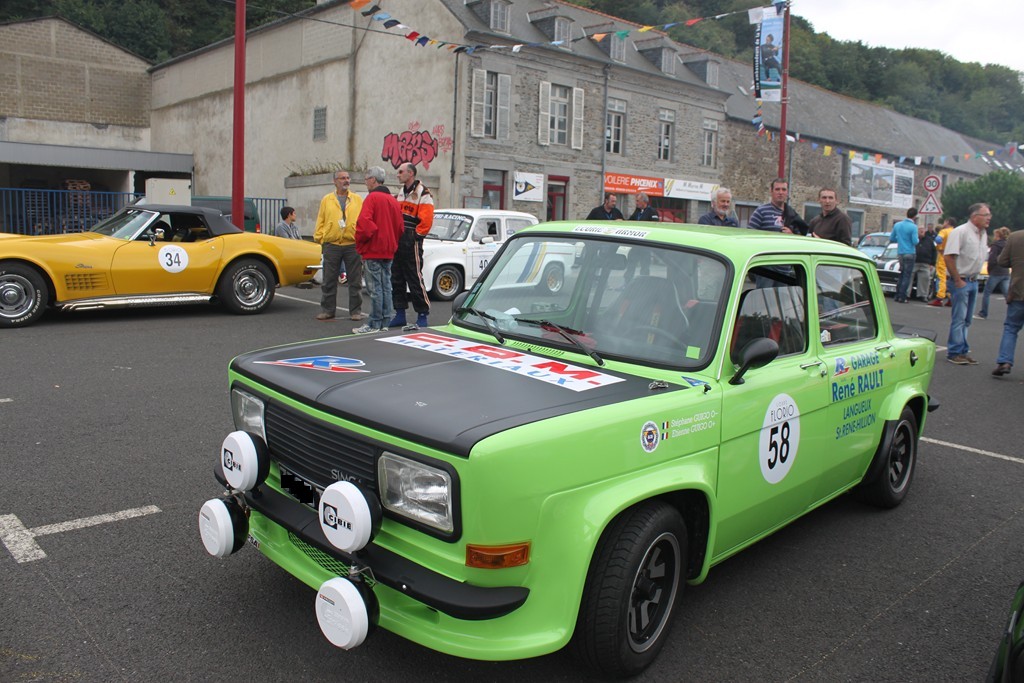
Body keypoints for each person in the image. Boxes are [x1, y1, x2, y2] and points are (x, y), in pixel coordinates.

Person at [353, 166, 404, 334]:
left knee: (375, 288)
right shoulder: (393, 200)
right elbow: (400, 228)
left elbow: (364, 224)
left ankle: (375, 323)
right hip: (388, 250)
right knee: (386, 286)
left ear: (373, 180)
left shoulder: (372, 198)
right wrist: (392, 244)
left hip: (373, 249)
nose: (365, 182)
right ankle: (384, 322)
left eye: (367, 179)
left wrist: (360, 246)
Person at [943, 203, 991, 365]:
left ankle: (962, 350)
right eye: (985, 215)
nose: (989, 218)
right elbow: (949, 256)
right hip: (961, 280)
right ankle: (955, 352)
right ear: (974, 216)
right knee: (959, 318)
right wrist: (957, 280)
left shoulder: (983, 234)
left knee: (967, 319)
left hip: (973, 280)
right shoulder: (961, 232)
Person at [313, 170, 364, 321]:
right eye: (342, 178)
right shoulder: (327, 200)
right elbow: (320, 219)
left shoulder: (357, 199)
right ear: (335, 181)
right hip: (332, 244)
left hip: (352, 243)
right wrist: (321, 238)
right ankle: (328, 310)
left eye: (348, 178)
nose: (346, 181)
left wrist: (360, 238)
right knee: (329, 279)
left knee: (355, 280)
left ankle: (355, 311)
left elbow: (362, 220)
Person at [388, 163, 433, 328]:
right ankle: (400, 313)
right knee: (396, 277)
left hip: (411, 241)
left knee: (414, 277)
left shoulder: (424, 193)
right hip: (398, 239)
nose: (398, 174)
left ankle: (422, 314)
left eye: (400, 172)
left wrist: (416, 237)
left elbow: (427, 220)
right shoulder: (400, 193)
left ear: (411, 173)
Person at [992, 228, 1024, 377]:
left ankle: (1004, 362)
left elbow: (1002, 261)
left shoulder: (1015, 237)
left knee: (1011, 327)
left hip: (1019, 289)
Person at [977, 226, 1011, 319]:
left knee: (987, 293)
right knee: (1007, 294)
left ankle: (983, 313)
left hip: (996, 272)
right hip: (1005, 272)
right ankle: (1014, 313)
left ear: (998, 236)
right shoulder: (1008, 245)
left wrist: (990, 270)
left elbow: (992, 259)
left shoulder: (995, 246)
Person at [889, 207, 919, 303]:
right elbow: (915, 241)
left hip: (900, 252)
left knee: (901, 274)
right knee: (907, 275)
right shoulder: (913, 227)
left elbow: (892, 238)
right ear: (915, 216)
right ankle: (903, 296)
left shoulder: (897, 225)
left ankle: (897, 295)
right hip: (910, 252)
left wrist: (901, 240)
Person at [929, 217, 956, 306]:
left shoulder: (944, 231)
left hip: (943, 256)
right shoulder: (956, 231)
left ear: (947, 222)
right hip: (953, 257)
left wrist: (940, 246)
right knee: (950, 278)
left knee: (941, 278)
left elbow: (938, 239)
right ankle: (951, 297)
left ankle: (939, 298)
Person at [912, 223, 937, 303]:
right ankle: (906, 294)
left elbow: (934, 251)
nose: (921, 230)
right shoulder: (914, 238)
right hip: (914, 262)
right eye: (920, 229)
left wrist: (932, 264)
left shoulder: (929, 240)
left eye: (923, 229)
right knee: (909, 277)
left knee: (925, 279)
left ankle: (923, 295)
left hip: (925, 263)